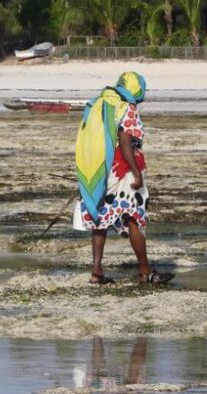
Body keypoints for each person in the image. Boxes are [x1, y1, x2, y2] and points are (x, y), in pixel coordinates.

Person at [74, 71, 173, 285]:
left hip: (101, 168)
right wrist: (137, 173)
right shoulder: (127, 108)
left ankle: (96, 272)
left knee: (100, 219)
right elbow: (125, 141)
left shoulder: (101, 103)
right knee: (134, 217)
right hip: (123, 169)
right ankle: (145, 272)